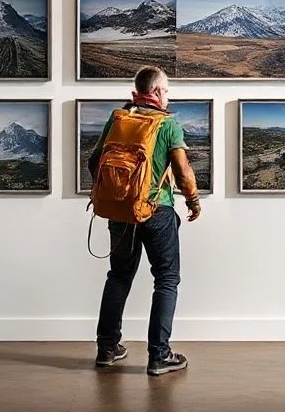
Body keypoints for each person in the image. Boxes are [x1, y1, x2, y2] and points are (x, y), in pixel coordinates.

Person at [88, 66, 201, 376]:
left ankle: (107, 349)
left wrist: (115, 194)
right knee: (166, 279)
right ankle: (159, 355)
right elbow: (183, 171)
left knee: (118, 276)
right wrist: (193, 200)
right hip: (157, 211)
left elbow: (94, 162)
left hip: (120, 212)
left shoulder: (118, 119)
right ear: (157, 92)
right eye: (166, 90)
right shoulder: (168, 124)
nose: (168, 96)